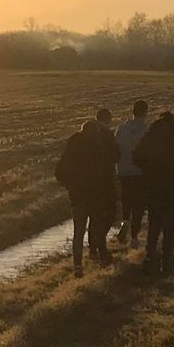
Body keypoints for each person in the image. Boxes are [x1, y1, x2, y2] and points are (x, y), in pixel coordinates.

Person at [132, 110, 174, 274]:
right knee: (169, 224)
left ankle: (149, 257)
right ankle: (165, 261)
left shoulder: (150, 136)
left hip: (152, 185)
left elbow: (136, 157)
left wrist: (148, 168)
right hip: (172, 186)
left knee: (154, 222)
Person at [54, 116, 118, 274]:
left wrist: (70, 185)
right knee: (97, 228)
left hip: (77, 196)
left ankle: (77, 266)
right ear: (94, 133)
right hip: (95, 195)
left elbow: (59, 172)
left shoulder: (72, 147)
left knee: (78, 232)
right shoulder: (97, 148)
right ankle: (101, 256)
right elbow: (104, 172)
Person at [114, 98, 152, 247]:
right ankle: (134, 237)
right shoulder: (146, 130)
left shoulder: (122, 128)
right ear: (145, 112)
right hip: (140, 172)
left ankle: (125, 222)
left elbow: (115, 148)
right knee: (138, 204)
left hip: (123, 171)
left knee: (126, 200)